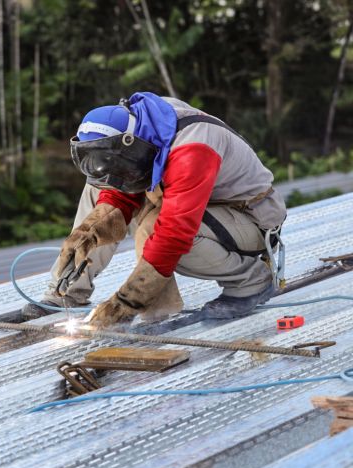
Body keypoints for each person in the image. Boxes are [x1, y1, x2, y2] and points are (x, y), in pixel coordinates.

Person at [22, 92, 287, 328]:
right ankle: (67, 292)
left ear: (129, 142)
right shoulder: (146, 126)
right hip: (199, 204)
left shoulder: (193, 148)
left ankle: (250, 282)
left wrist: (126, 304)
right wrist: (88, 234)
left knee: (154, 230)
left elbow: (174, 234)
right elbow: (121, 188)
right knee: (97, 189)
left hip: (249, 221)